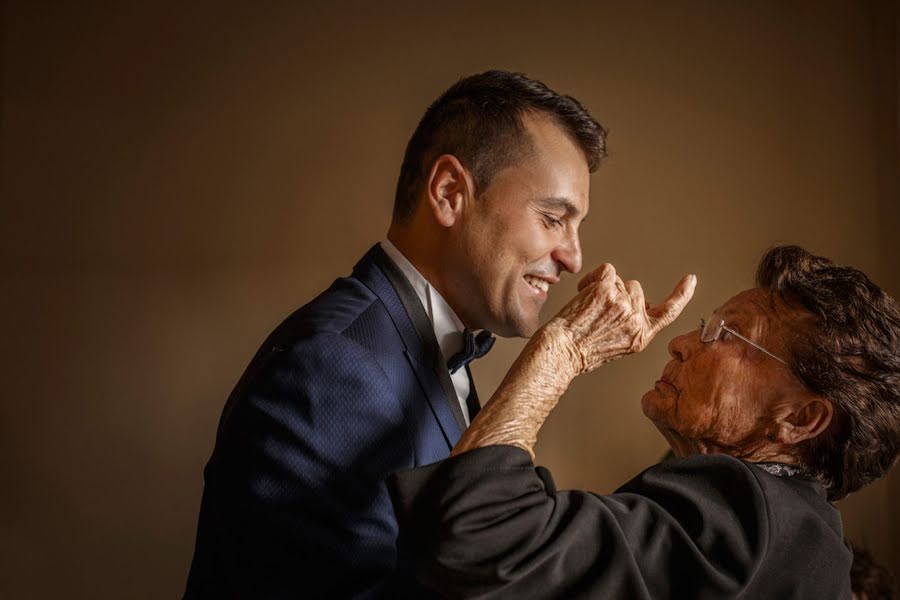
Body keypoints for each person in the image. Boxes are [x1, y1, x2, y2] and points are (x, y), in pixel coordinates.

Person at [185, 71, 627, 598]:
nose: (574, 258)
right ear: (448, 193)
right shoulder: (331, 366)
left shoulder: (424, 346)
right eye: (554, 218)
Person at [389, 245, 900, 599]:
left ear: (801, 418)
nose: (681, 343)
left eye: (728, 335)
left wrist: (564, 348)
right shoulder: (794, 533)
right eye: (706, 326)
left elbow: (478, 532)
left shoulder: (752, 516)